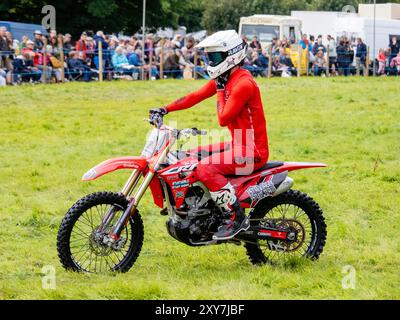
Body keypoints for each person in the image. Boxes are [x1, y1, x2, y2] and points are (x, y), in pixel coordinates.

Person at [149, 30, 269, 240]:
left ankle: (235, 216)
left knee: (205, 168)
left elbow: (223, 118)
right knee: (188, 155)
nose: (211, 61)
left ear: (231, 56)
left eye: (215, 57)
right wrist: (165, 109)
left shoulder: (243, 84)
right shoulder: (225, 78)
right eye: (210, 56)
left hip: (252, 152)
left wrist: (221, 91)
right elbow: (195, 96)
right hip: (238, 144)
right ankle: (196, 208)